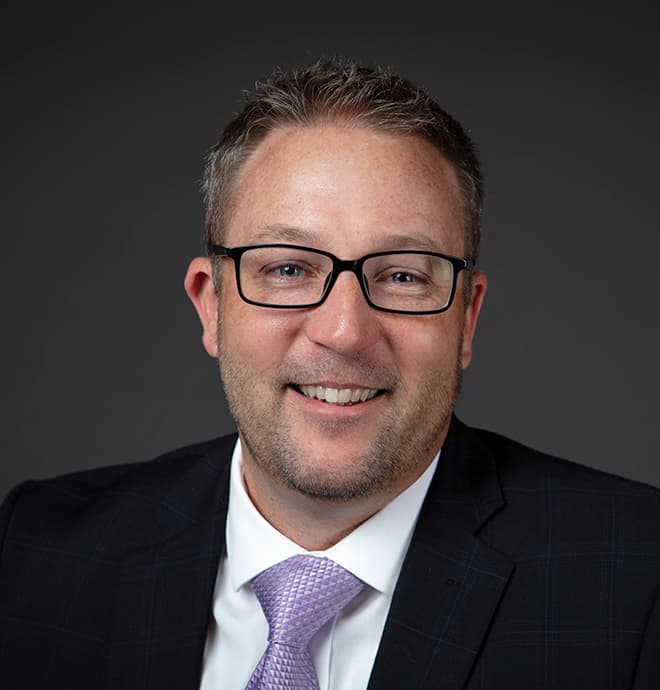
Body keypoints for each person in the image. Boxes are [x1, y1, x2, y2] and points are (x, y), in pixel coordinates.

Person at [0, 61, 658, 690]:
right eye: (287, 269)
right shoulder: (35, 554)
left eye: (402, 275)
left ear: (467, 317)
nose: (343, 331)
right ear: (210, 303)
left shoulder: (636, 579)